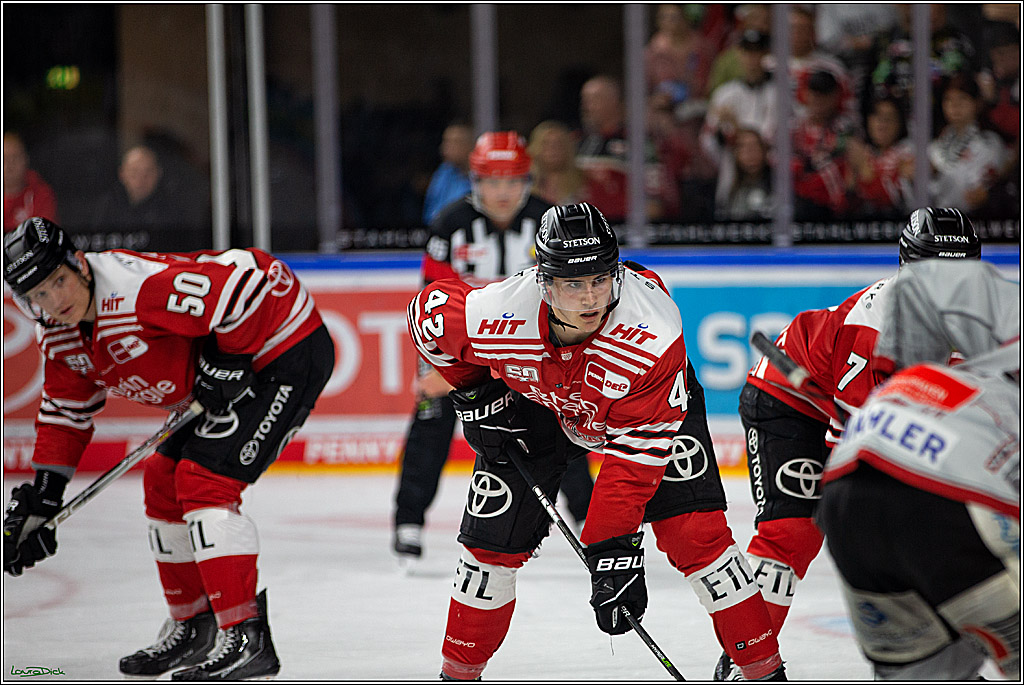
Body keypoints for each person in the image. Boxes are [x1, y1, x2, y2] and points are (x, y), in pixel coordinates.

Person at [409, 202, 786, 681]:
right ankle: (457, 674)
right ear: (543, 282)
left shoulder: (652, 335)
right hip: (540, 405)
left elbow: (632, 467)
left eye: (600, 279)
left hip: (649, 412)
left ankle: (763, 668)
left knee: (698, 538)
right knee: (486, 550)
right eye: (572, 283)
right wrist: (476, 392)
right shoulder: (498, 313)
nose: (589, 298)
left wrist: (612, 548)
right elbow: (426, 315)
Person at [2, 217, 335, 680]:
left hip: (281, 350)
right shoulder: (57, 333)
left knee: (205, 482)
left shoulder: (134, 287)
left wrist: (230, 358)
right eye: (38, 294)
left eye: (58, 281)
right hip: (234, 364)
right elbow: (66, 412)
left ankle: (245, 637)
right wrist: (44, 495)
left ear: (78, 263)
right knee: (162, 482)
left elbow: (244, 286)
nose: (55, 301)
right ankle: (194, 626)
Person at [713, 207, 982, 680]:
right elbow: (856, 460)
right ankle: (747, 662)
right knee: (792, 531)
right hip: (787, 399)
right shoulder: (874, 330)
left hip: (867, 413)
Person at [392, 132, 594, 564]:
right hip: (467, 350)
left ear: (528, 180)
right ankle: (408, 521)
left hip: (532, 351)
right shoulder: (448, 224)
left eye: (512, 181)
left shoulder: (549, 221)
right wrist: (432, 368)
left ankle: (591, 519)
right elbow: (432, 298)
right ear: (474, 182)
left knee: (567, 427)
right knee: (430, 419)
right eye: (491, 181)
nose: (502, 193)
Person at [818, 258, 1019, 680]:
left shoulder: (927, 375)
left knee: (925, 671)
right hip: (939, 499)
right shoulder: (1000, 390)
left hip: (844, 497)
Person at [700, 29, 777, 215]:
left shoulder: (778, 93)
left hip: (771, 180)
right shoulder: (724, 94)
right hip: (732, 178)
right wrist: (725, 135)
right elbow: (708, 143)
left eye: (756, 52)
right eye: (746, 52)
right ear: (739, 54)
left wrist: (735, 128)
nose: (751, 58)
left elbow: (770, 138)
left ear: (765, 54)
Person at [91, 144, 205, 252]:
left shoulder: (173, 211)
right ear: (122, 174)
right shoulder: (107, 206)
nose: (141, 180)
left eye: (147, 172)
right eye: (134, 172)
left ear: (158, 173)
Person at [928, 72, 1008, 213]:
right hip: (938, 223)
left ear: (977, 103)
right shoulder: (934, 147)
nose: (955, 106)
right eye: (948, 100)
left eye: (962, 98)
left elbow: (980, 193)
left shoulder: (990, 143)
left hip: (976, 222)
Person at [790, 69, 863, 221]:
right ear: (805, 94)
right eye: (814, 93)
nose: (818, 100)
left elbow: (851, 171)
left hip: (837, 210)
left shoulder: (844, 128)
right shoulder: (794, 129)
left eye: (824, 95)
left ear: (835, 96)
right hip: (798, 206)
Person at [846, 97, 914, 219]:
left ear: (900, 123)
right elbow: (844, 205)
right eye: (877, 116)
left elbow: (891, 202)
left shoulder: (907, 153)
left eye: (889, 118)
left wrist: (864, 171)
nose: (882, 123)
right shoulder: (863, 153)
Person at [4, 132, 59, 231]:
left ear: (26, 159)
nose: (10, 165)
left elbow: (46, 236)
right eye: (4, 158)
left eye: (15, 157)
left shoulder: (41, 193)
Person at [422, 122, 475, 225]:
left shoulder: (482, 178)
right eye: (445, 142)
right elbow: (430, 213)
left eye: (453, 142)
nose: (444, 148)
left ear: (468, 145)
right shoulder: (443, 173)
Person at [527, 120, 585, 207]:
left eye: (558, 143)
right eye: (546, 144)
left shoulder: (585, 182)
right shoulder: (524, 185)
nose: (553, 149)